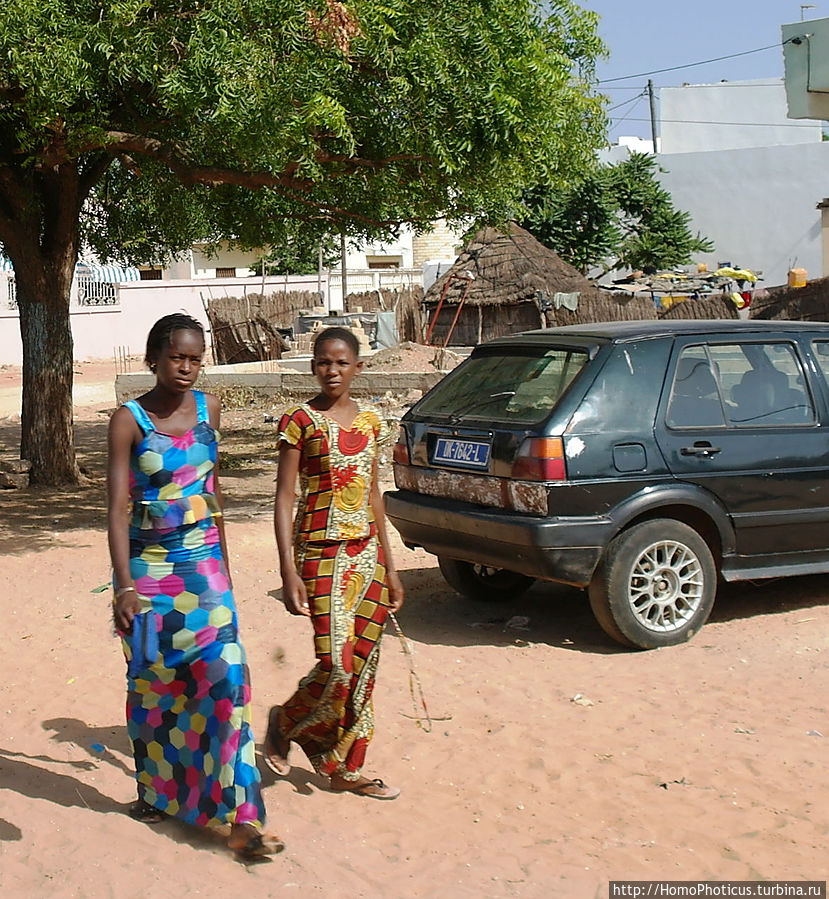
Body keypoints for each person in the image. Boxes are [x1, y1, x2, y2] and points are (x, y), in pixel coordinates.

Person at [107, 313, 283, 858]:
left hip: (205, 570)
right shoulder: (128, 421)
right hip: (149, 576)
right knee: (156, 689)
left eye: (195, 358)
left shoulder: (210, 409)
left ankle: (241, 818)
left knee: (228, 681)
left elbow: (215, 493)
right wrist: (123, 588)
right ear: (154, 358)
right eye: (177, 357)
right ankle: (157, 795)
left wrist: (225, 574)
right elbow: (115, 510)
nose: (187, 368)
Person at [266, 326, 404, 799]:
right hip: (320, 555)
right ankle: (285, 721)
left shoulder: (370, 423)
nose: (332, 371)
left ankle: (345, 766)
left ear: (358, 368)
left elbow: (373, 495)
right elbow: (285, 499)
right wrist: (287, 571)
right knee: (337, 665)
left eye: (342, 363)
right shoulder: (299, 422)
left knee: (364, 668)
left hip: (367, 557)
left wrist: (391, 564)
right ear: (313, 367)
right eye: (324, 362)